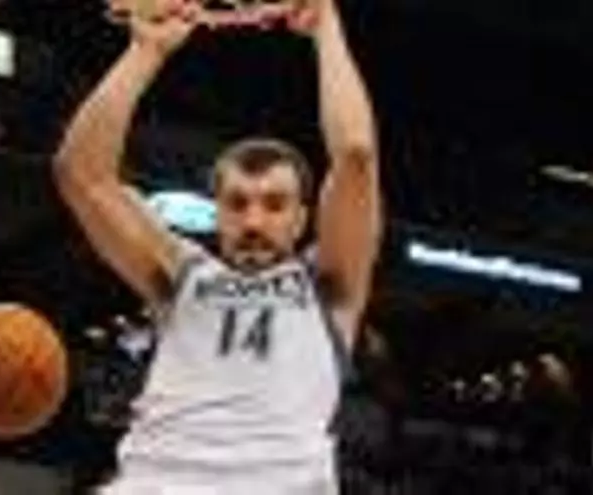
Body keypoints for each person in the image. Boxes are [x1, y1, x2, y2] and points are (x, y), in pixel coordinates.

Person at [53, 0, 381, 491]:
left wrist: (327, 28)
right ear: (218, 213)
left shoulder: (330, 284)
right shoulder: (181, 272)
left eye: (274, 204)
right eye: (237, 203)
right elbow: (81, 173)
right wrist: (145, 53)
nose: (253, 220)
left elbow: (355, 154)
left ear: (301, 220)